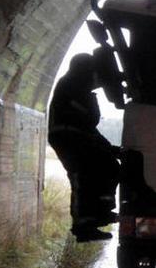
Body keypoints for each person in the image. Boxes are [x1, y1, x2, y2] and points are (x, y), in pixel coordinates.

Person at [48, 53, 120, 242]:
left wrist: (111, 149)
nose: (97, 80)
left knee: (108, 167)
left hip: (73, 136)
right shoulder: (74, 87)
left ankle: (100, 213)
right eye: (95, 74)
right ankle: (84, 225)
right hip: (67, 138)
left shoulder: (73, 86)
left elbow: (89, 128)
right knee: (83, 177)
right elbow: (89, 121)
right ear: (86, 71)